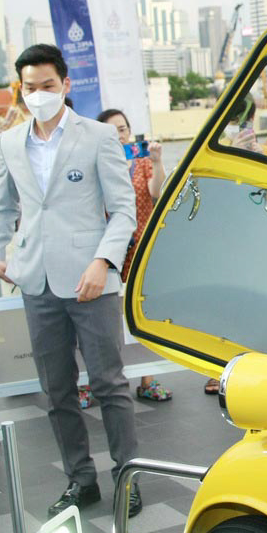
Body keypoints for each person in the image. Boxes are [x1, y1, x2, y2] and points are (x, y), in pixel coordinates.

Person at [0, 45, 140, 518]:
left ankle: (128, 478)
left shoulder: (96, 137)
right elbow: (4, 203)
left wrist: (103, 263)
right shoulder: (11, 141)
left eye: (48, 86)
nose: (39, 95)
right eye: (30, 87)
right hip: (37, 280)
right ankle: (80, 478)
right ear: (21, 89)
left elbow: (124, 209)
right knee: (56, 390)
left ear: (66, 86)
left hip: (91, 280)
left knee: (110, 384)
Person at [99, 107, 169, 404]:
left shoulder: (141, 162)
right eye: (113, 130)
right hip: (105, 251)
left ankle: (148, 379)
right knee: (103, 317)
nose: (121, 134)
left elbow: (156, 191)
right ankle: (99, 379)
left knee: (142, 311)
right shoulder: (96, 164)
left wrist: (157, 160)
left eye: (124, 128)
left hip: (140, 248)